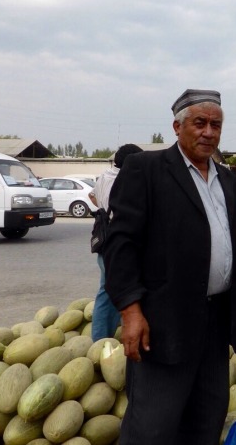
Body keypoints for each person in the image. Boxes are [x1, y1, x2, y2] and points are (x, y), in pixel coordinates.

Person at [104, 89, 236, 445]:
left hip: (216, 321)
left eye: (216, 125)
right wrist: (131, 311)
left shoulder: (228, 182)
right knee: (153, 426)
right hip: (164, 323)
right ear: (177, 127)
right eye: (200, 123)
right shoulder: (146, 169)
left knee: (207, 418)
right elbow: (120, 244)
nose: (208, 132)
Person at [89, 143, 142, 341]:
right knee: (113, 291)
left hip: (105, 241)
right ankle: (102, 340)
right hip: (118, 244)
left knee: (107, 289)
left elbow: (92, 197)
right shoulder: (124, 181)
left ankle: (102, 337)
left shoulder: (104, 177)